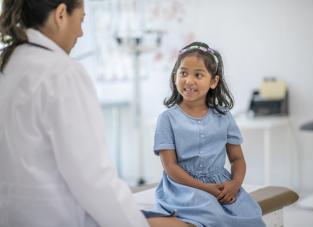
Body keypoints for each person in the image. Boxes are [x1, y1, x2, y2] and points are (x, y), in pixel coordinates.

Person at [0, 1, 189, 227]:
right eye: (80, 20)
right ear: (61, 14)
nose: (81, 32)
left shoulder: (8, 64)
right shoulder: (62, 72)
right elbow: (93, 179)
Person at [152, 42, 267, 227]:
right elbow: (171, 168)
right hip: (183, 187)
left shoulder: (224, 116)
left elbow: (237, 159)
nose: (189, 80)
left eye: (198, 74)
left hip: (222, 185)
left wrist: (234, 184)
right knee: (214, 217)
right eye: (183, 73)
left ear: (213, 81)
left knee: (251, 216)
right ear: (175, 77)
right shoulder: (167, 119)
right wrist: (207, 189)